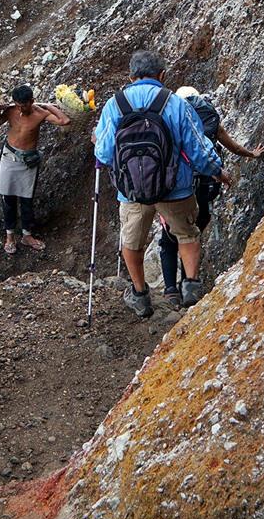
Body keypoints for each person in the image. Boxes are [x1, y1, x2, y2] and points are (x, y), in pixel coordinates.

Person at [93, 50, 231, 318]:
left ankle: (140, 295)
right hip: (174, 187)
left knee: (132, 242)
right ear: (162, 75)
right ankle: (190, 285)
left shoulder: (114, 104)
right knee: (187, 233)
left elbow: (105, 154)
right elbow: (197, 147)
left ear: (130, 76)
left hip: (132, 190)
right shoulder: (175, 103)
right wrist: (216, 170)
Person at [158, 85, 264, 306]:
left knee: (169, 236)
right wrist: (252, 154)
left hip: (181, 186)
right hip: (207, 184)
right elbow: (232, 146)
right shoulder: (209, 116)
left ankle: (171, 290)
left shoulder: (174, 115)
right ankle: (189, 284)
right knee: (192, 232)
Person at [0, 85, 70, 254]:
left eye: (25, 105)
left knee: (26, 200)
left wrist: (50, 107)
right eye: (19, 105)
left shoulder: (40, 114)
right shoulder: (11, 111)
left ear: (32, 102)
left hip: (27, 161)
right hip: (9, 157)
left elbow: (65, 121)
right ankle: (10, 237)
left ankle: (27, 235)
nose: (22, 109)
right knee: (8, 200)